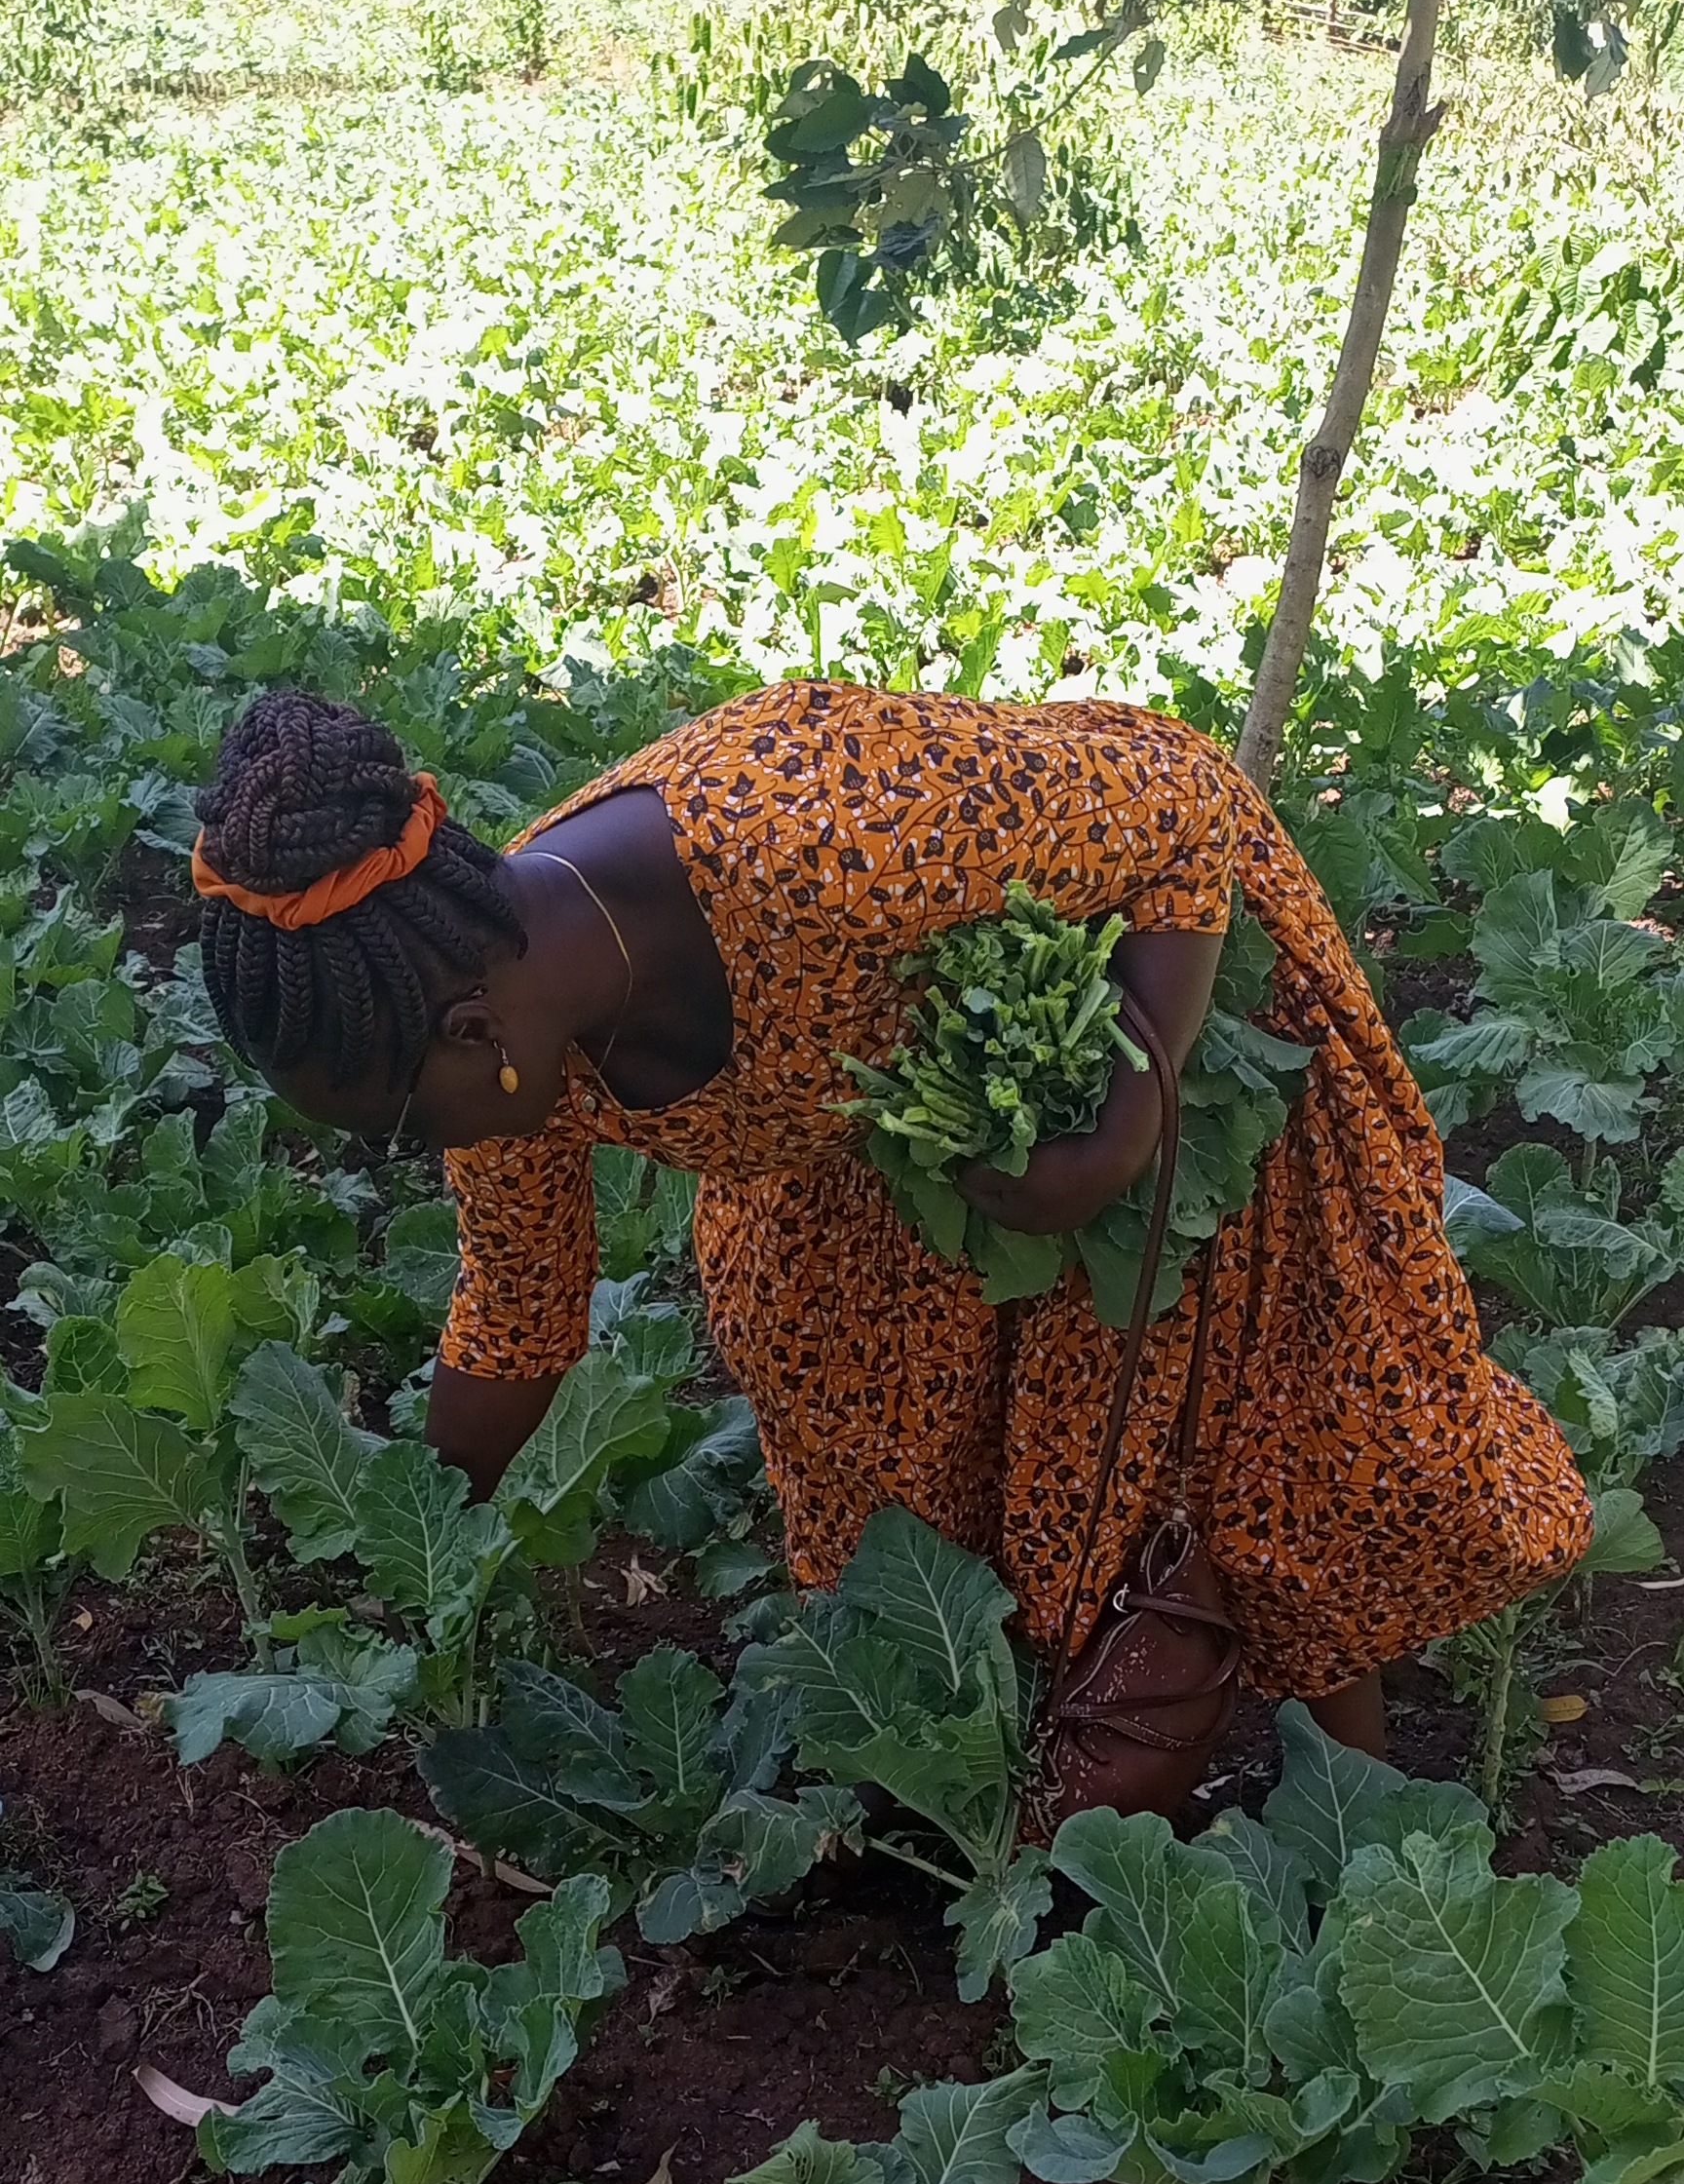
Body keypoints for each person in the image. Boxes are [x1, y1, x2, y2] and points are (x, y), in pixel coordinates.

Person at [191, 677, 1592, 1768]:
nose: (408, 1153)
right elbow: (521, 1306)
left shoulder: (809, 832)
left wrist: (1114, 1135)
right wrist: (416, 1541)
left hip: (1159, 993)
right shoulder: (506, 1034)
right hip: (884, 1120)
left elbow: (1185, 804)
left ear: (472, 1028)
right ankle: (1003, 1740)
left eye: (395, 1121)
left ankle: (1358, 1803)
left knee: (1254, 1411)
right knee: (839, 1381)